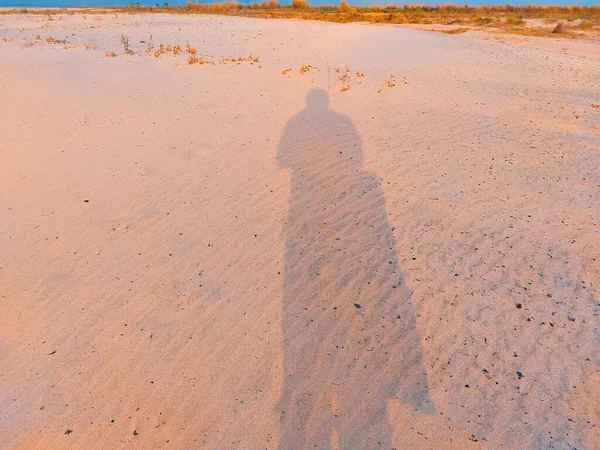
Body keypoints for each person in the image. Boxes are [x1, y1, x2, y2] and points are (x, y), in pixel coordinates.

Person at [277, 89, 433, 448]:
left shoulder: (296, 122)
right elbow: (355, 158)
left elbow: (283, 158)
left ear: (309, 101)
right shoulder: (344, 123)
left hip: (309, 200)